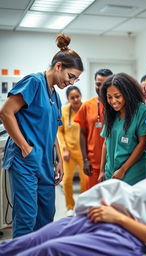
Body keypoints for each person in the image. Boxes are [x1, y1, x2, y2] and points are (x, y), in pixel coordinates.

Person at [0, 141, 146, 256]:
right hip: (95, 219)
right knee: (28, 242)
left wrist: (120, 219)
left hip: (122, 235)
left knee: (51, 250)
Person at [0, 34, 84, 238]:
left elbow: (52, 129)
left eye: (76, 79)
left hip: (45, 161)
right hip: (25, 160)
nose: (71, 82)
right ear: (58, 67)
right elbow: (5, 112)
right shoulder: (34, 82)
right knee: (27, 216)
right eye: (70, 76)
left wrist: (58, 160)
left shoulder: (54, 94)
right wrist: (24, 147)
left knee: (47, 214)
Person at [99, 72, 146, 185]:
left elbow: (142, 144)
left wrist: (123, 169)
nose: (113, 101)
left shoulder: (141, 111)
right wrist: (102, 171)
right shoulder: (111, 113)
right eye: (109, 97)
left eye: (117, 96)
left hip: (134, 172)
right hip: (112, 171)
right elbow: (106, 142)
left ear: (127, 94)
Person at [74, 68, 113, 189]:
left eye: (105, 84)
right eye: (98, 84)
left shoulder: (116, 105)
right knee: (93, 201)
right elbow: (82, 133)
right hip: (93, 164)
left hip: (114, 164)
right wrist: (85, 160)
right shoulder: (87, 106)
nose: (101, 87)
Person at [57, 86, 87, 217]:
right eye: (72, 97)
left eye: (77, 96)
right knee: (67, 180)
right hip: (68, 152)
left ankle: (83, 205)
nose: (75, 99)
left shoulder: (86, 109)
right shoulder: (64, 111)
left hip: (83, 152)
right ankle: (70, 206)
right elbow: (60, 132)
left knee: (85, 180)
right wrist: (64, 149)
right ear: (68, 99)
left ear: (81, 95)